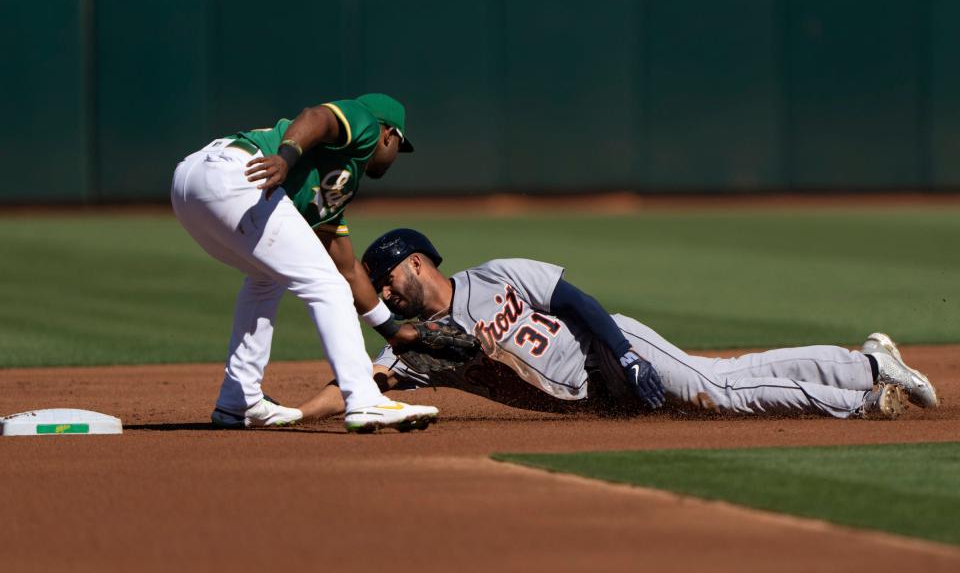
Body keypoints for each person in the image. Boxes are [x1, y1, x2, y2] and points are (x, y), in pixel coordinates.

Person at [295, 228, 939, 421]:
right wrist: (292, 415)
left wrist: (624, 353)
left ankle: (863, 392)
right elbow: (356, 384)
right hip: (594, 396)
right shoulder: (425, 353)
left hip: (608, 349)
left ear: (414, 264)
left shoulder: (496, 275)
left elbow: (575, 300)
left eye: (386, 281)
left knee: (717, 390)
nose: (383, 293)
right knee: (729, 376)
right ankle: (867, 364)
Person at [170, 96, 439, 433]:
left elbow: (347, 267)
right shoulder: (366, 124)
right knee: (326, 287)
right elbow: (318, 116)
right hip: (238, 173)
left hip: (191, 187)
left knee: (265, 278)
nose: (397, 154)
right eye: (400, 144)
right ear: (389, 134)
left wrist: (394, 331)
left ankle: (238, 401)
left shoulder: (337, 186)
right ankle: (364, 400)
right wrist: (285, 158)